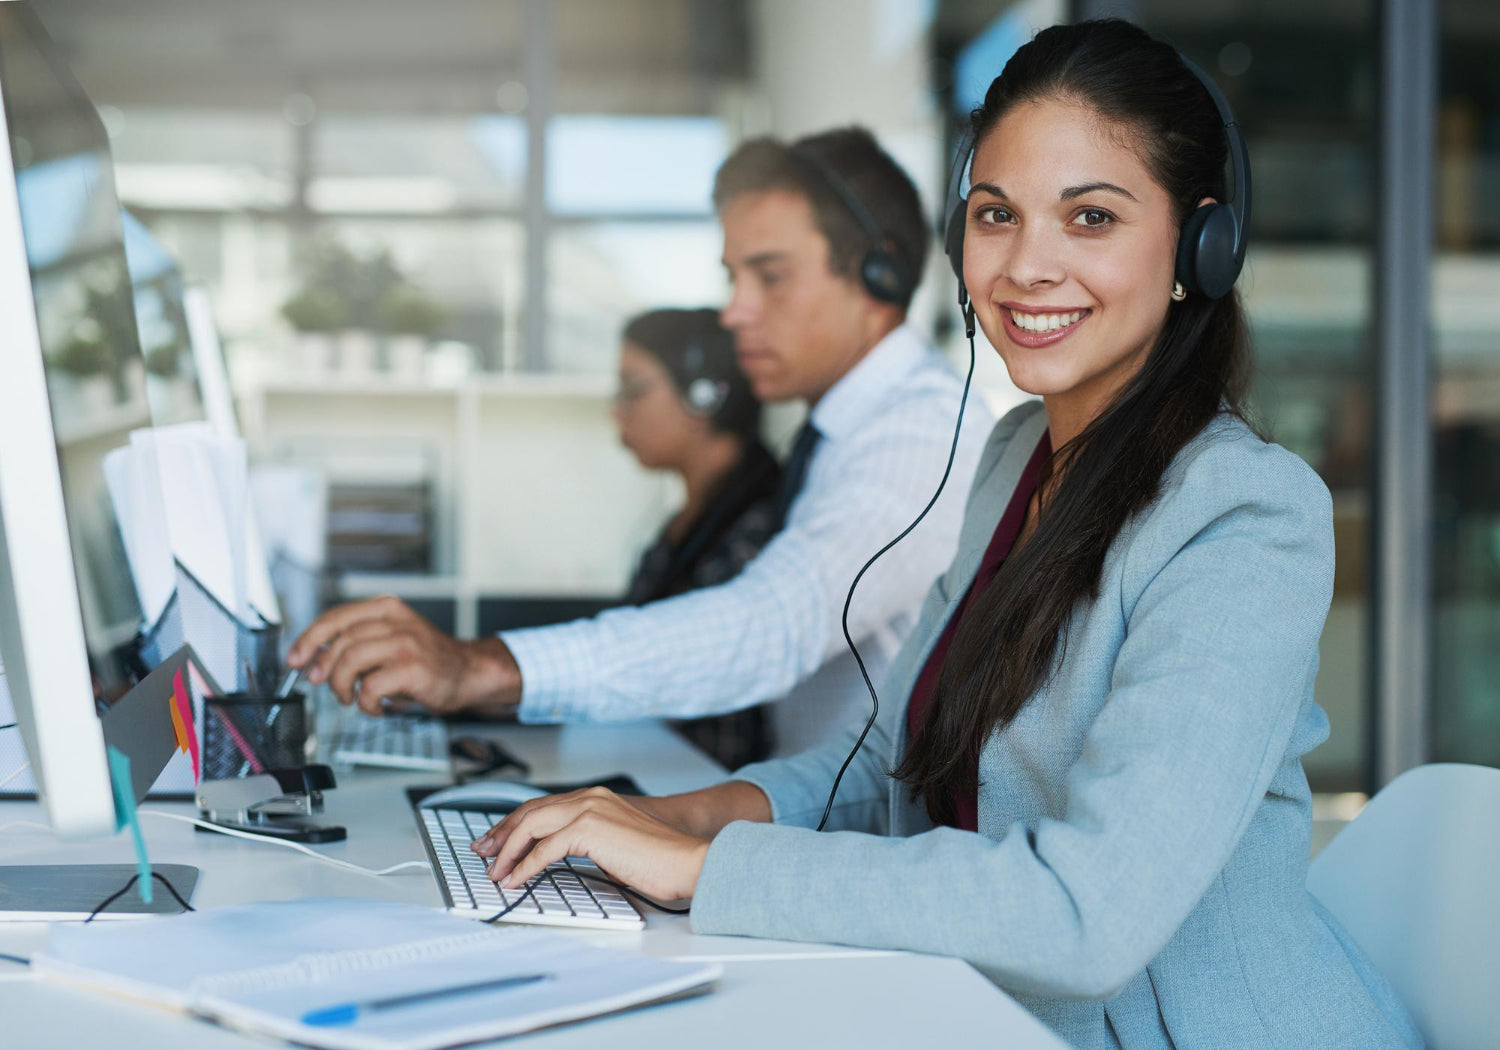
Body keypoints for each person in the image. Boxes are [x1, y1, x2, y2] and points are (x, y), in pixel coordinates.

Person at [467, 21, 1423, 1048]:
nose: (1026, 267)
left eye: (1091, 217)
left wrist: (709, 870)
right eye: (996, 214)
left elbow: (1086, 915)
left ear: (1202, 248)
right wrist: (681, 819)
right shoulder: (1017, 458)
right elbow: (884, 767)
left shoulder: (1244, 516)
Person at [288, 127, 994, 758]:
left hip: (864, 848)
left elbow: (773, 624)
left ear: (882, 273)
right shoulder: (843, 432)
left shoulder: (919, 435)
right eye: (732, 277)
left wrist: (481, 667)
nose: (735, 311)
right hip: (808, 813)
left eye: (770, 276)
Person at [613, 307, 782, 768]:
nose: (617, 410)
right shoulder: (691, 518)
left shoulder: (753, 532)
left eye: (633, 388)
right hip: (656, 768)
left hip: (704, 792)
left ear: (704, 396)